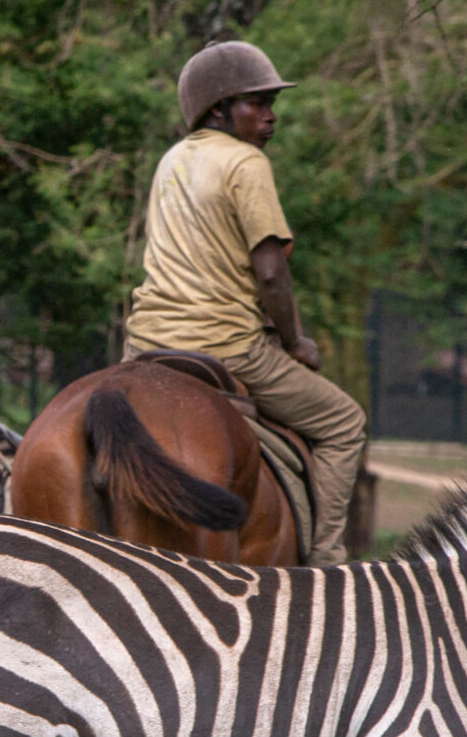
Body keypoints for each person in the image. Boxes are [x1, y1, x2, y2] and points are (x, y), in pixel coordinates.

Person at [122, 40, 366, 564]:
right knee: (344, 423)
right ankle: (326, 560)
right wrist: (294, 342)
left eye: (271, 103)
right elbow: (272, 272)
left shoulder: (171, 160)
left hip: (144, 343)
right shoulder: (246, 162)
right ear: (218, 110)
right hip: (227, 346)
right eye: (256, 103)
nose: (271, 115)